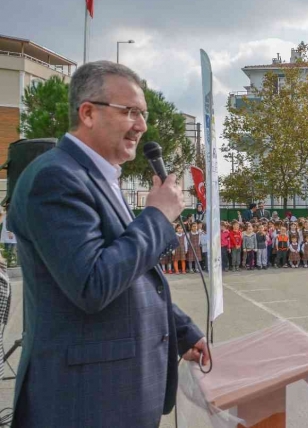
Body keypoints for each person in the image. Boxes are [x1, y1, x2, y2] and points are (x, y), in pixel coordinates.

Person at [6, 61, 207, 427]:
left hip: (115, 395)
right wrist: (158, 217)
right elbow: (93, 282)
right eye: (130, 112)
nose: (142, 126)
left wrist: (182, 331)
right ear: (88, 113)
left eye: (142, 114)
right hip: (84, 402)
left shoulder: (100, 177)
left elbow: (133, 272)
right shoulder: (55, 177)